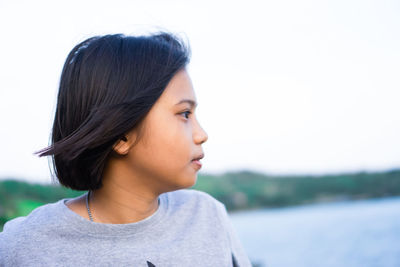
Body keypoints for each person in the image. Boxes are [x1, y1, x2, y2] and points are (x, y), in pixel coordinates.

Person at [0, 32, 252, 266]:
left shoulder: (208, 215)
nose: (202, 134)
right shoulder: (23, 246)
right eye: (184, 113)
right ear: (121, 135)